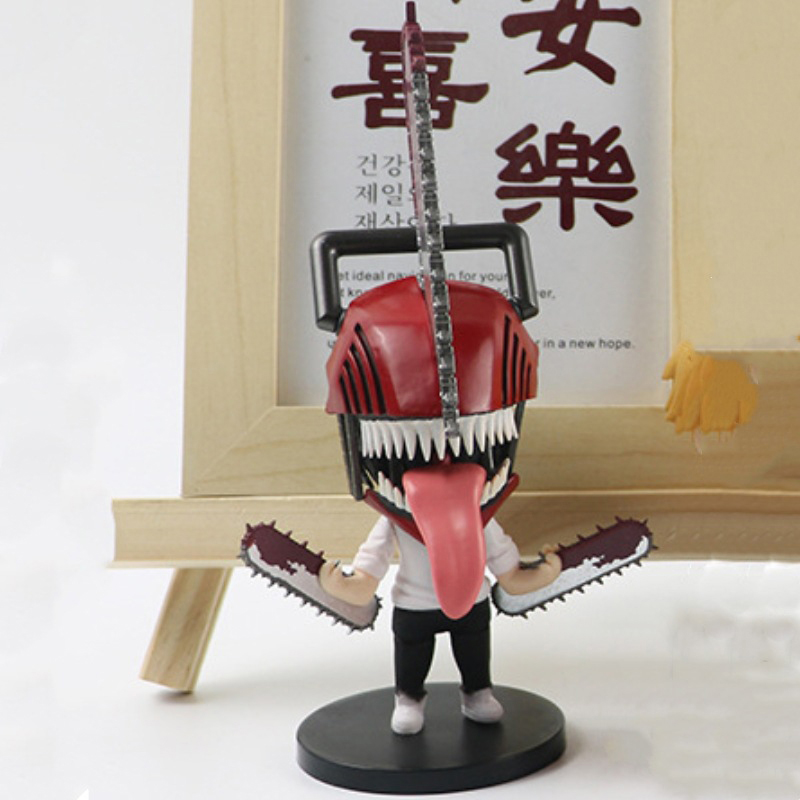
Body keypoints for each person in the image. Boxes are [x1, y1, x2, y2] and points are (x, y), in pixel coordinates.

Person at [320, 514, 562, 735]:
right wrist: (350, 586)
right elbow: (372, 561)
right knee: (412, 659)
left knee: (474, 655)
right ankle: (408, 701)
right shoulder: (395, 514)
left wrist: (540, 575)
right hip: (414, 604)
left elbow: (507, 568)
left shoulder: (479, 512)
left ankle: (478, 694)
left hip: (471, 601)